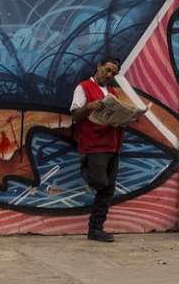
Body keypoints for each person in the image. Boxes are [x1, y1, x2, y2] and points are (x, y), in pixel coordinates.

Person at [70, 57, 123, 243]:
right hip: (94, 145)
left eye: (113, 73)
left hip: (112, 145)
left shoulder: (112, 92)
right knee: (101, 183)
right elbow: (75, 114)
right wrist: (89, 107)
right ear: (99, 66)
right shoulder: (83, 87)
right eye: (107, 70)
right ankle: (85, 166)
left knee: (108, 189)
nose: (109, 75)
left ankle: (96, 229)